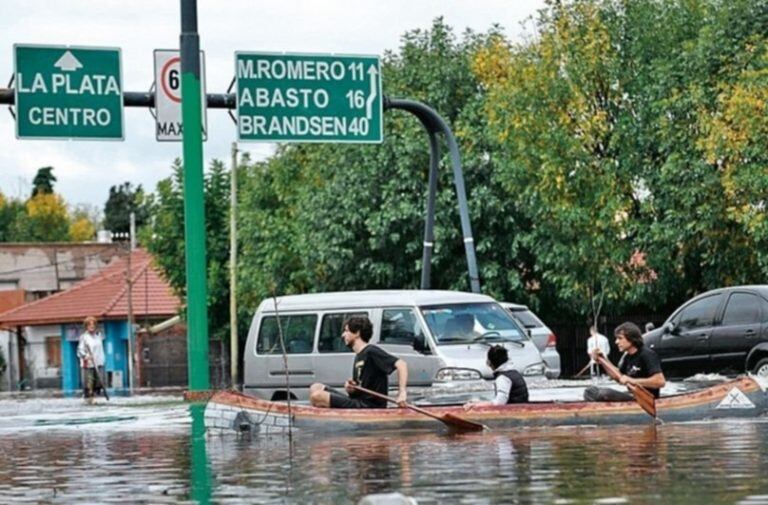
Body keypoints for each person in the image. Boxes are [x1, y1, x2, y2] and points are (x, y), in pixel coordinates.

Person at [309, 316, 408, 409]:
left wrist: (402, 393)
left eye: (346, 331)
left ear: (357, 333)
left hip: (368, 405)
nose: (343, 335)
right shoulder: (359, 356)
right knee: (316, 387)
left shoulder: (371, 351)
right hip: (358, 400)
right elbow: (359, 388)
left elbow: (401, 364)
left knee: (317, 396)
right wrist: (351, 388)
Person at [584, 322, 666, 402]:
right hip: (633, 396)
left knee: (603, 393)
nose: (616, 342)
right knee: (590, 391)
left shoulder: (647, 354)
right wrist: (602, 360)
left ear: (631, 338)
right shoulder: (628, 357)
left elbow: (660, 381)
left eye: (620, 338)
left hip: (647, 399)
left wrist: (632, 381)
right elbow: (619, 377)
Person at [464, 345, 528, 410]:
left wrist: (477, 405)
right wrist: (480, 402)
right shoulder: (514, 372)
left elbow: (499, 403)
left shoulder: (503, 378)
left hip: (513, 414)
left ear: (489, 363)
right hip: (521, 410)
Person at [77, 315, 105, 405]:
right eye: (89, 325)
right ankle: (89, 397)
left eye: (93, 325)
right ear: (86, 326)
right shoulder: (84, 337)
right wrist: (86, 356)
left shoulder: (99, 336)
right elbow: (79, 350)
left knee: (99, 381)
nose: (92, 326)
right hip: (88, 364)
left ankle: (94, 395)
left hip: (98, 362)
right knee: (89, 382)